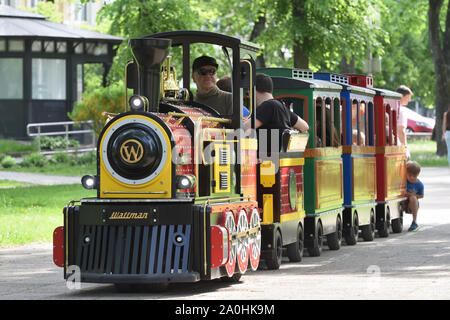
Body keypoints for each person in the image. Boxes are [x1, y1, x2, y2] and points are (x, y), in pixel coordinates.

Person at [405, 160, 424, 232]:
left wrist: (413, 195)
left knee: (413, 198)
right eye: (409, 175)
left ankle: (414, 222)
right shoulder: (403, 180)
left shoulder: (419, 184)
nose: (412, 177)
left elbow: (421, 195)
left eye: (414, 176)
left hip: (411, 203)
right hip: (402, 201)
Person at [396, 85, 413, 159]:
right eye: (408, 97)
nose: (409, 100)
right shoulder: (401, 110)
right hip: (398, 144)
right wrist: (405, 148)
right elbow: (401, 131)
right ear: (402, 96)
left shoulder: (390, 106)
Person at [442, 104, 450, 170]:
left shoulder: (446, 114)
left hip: (448, 133)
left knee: (449, 150)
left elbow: (444, 124)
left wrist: (443, 133)